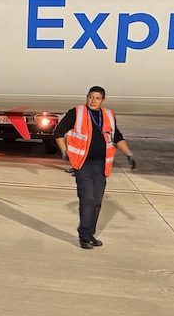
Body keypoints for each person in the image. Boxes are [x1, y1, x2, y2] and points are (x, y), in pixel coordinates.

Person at [53, 86, 136, 250]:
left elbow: (116, 136)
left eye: (97, 98)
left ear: (102, 101)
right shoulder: (76, 112)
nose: (93, 100)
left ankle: (89, 234)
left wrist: (129, 154)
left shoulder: (108, 115)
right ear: (86, 97)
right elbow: (58, 133)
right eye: (91, 97)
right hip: (82, 164)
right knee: (88, 199)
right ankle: (84, 236)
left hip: (101, 165)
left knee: (97, 202)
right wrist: (64, 151)